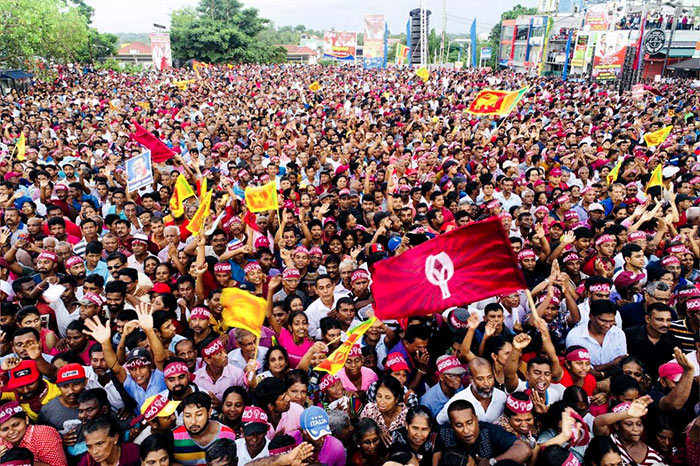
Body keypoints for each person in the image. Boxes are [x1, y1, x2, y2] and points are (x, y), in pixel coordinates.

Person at [433, 399, 531, 465]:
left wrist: (491, 462)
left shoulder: (490, 432)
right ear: (452, 426)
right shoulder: (444, 433)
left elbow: (524, 449)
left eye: (469, 423)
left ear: (476, 419)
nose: (466, 430)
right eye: (459, 425)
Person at [436, 357, 507, 425]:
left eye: (489, 377)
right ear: (470, 379)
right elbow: (440, 422)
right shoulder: (458, 400)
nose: (487, 383)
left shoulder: (502, 397)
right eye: (480, 379)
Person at [171, 392, 236, 465]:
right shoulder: (174, 438)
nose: (193, 422)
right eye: (188, 416)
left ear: (209, 412)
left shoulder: (227, 435)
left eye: (199, 415)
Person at [0, 401, 68, 466]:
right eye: (4, 429)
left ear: (26, 419)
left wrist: (23, 462)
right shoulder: (1, 441)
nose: (11, 431)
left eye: (16, 425)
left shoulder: (43, 434)